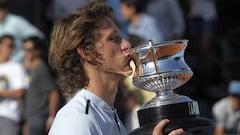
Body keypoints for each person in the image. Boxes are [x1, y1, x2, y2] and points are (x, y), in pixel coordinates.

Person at [47, 0, 185, 135]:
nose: (127, 44)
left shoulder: (108, 114)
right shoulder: (76, 120)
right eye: (114, 39)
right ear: (87, 53)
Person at [23, 36, 60, 135]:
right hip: (30, 117)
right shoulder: (29, 68)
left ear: (37, 51)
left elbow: (53, 93)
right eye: (24, 49)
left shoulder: (41, 68)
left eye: (29, 50)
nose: (26, 52)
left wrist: (51, 118)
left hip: (39, 117)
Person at [0, 35, 29, 135]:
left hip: (8, 116)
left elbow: (20, 92)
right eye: (9, 45)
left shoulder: (16, 67)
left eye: (13, 46)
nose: (12, 49)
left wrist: (2, 93)